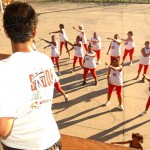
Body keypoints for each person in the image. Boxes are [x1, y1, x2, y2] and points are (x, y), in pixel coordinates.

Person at [0, 2, 68, 150]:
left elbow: (4, 129)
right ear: (35, 31)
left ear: (6, 32)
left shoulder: (5, 70)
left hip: (21, 146)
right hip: (52, 141)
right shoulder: (46, 61)